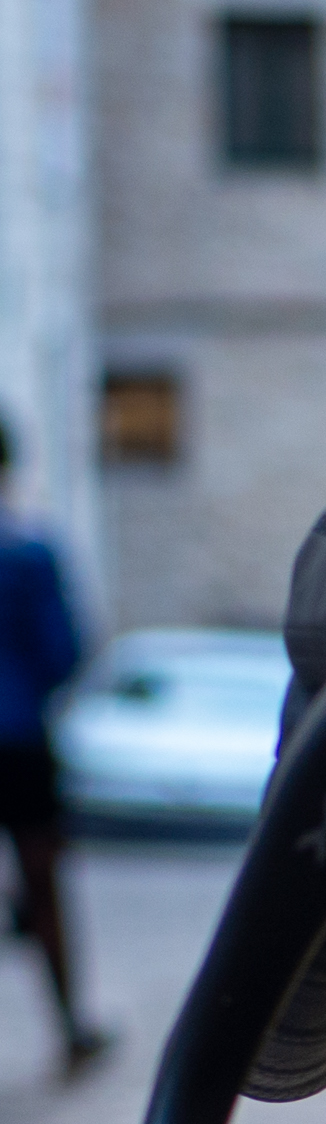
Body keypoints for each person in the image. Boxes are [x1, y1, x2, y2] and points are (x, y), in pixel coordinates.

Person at [0, 417, 108, 1077]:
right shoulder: (28, 553)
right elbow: (63, 652)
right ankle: (70, 1027)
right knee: (44, 880)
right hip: (16, 740)